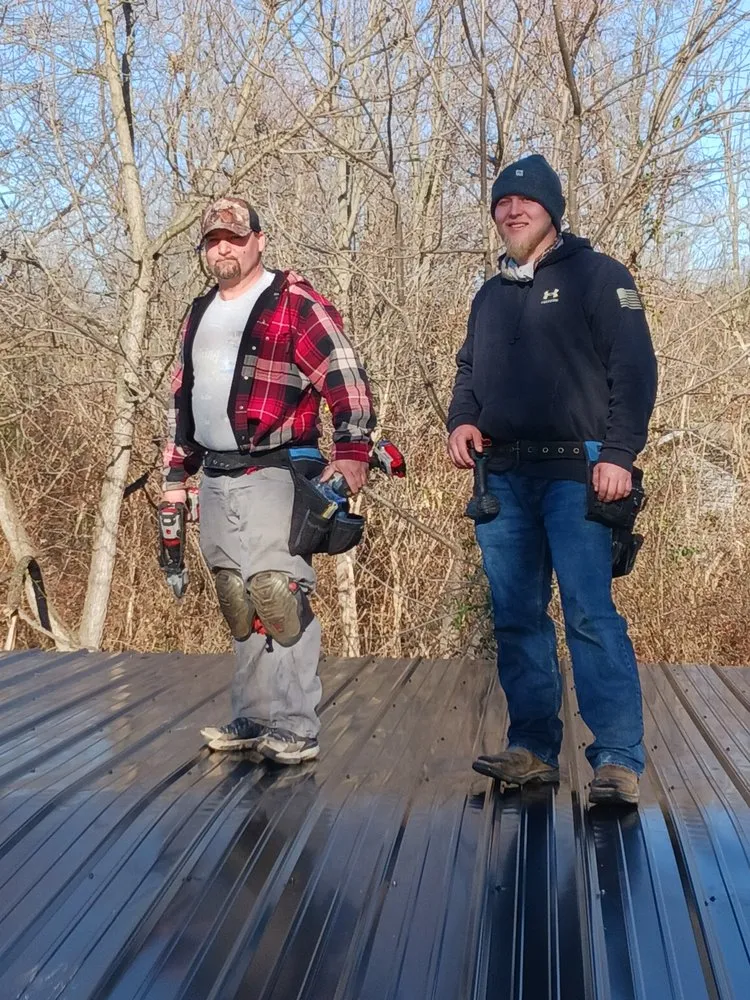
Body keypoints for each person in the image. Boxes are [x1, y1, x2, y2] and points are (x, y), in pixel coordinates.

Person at [447, 155, 657, 806]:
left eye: (526, 203)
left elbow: (636, 370)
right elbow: (466, 370)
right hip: (504, 475)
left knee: (591, 616)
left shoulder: (599, 277)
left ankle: (618, 760)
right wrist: (462, 421)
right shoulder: (490, 294)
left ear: (552, 211)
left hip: (580, 469)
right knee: (516, 618)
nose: (512, 211)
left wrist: (618, 454)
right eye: (502, 204)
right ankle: (533, 751)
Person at [162, 196, 375, 764]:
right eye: (213, 240)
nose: (223, 248)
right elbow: (183, 399)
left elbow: (345, 373)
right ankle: (252, 716)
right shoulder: (200, 311)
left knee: (279, 595)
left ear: (259, 239)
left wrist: (353, 450)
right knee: (236, 596)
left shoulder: (292, 301)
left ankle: (296, 724)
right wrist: (175, 472)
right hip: (215, 472)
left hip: (276, 470)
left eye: (234, 237)